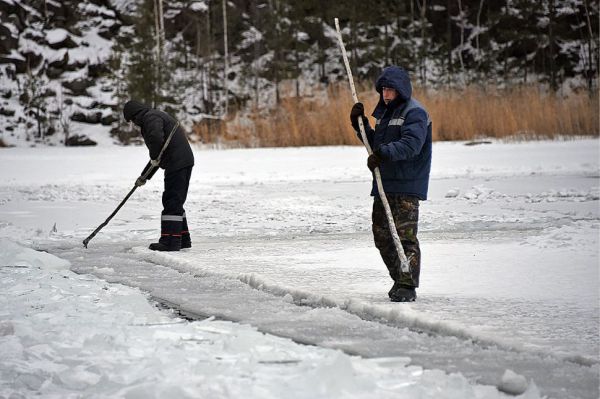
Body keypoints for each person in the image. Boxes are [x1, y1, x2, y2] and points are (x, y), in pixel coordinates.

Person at [349, 66, 432, 302]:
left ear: (401, 90)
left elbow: (410, 145)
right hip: (385, 184)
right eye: (383, 89)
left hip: (407, 184)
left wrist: (383, 154)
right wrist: (361, 125)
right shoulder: (385, 114)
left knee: (405, 236)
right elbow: (377, 145)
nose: (386, 94)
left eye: (390, 89)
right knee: (382, 236)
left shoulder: (415, 113)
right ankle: (400, 277)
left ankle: (407, 285)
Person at [123, 100, 194, 252]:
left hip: (178, 162)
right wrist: (144, 177)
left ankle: (170, 241)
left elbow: (156, 141)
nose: (134, 124)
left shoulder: (150, 118)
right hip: (181, 161)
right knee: (175, 200)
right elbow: (159, 155)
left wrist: (154, 156)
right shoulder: (154, 115)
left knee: (172, 200)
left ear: (135, 115)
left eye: (132, 120)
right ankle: (182, 239)